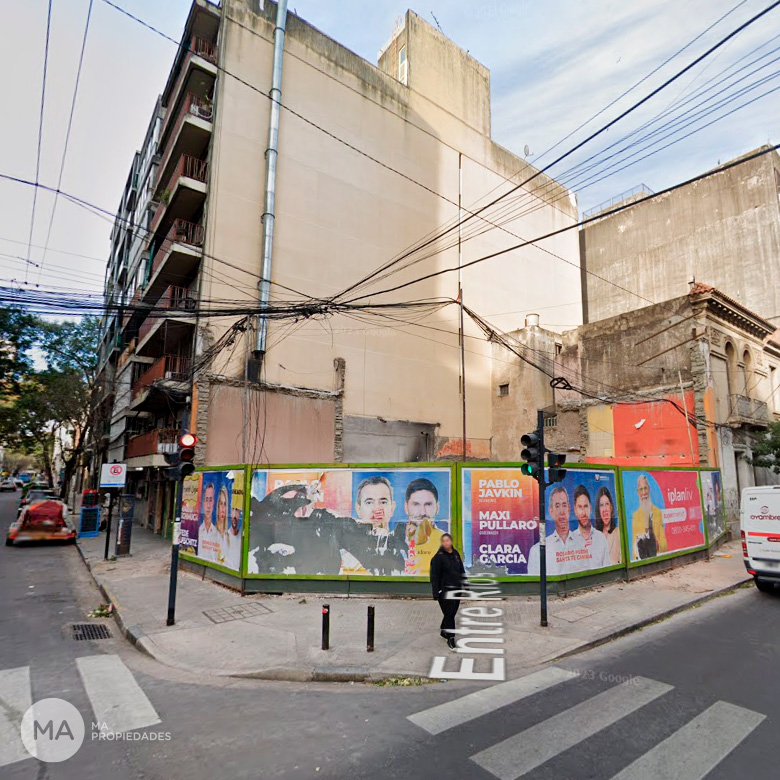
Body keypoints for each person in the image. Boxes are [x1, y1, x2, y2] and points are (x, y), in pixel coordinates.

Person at [527, 485, 576, 575]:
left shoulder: (582, 543)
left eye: (564, 505)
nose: (562, 511)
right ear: (551, 511)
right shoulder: (536, 551)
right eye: (557, 506)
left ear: (569, 509)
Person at [403, 478, 445, 576]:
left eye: (428, 504)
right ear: (406, 507)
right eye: (416, 504)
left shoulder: (445, 540)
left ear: (437, 508)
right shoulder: (391, 540)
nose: (422, 512)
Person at [430, 533, 464, 650]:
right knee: (449, 614)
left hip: (457, 589)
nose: (446, 543)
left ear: (451, 542)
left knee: (452, 613)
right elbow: (434, 576)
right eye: (443, 541)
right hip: (444, 591)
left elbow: (461, 569)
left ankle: (444, 630)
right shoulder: (438, 557)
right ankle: (451, 637)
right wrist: (436, 592)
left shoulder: (455, 554)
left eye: (448, 540)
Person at [568, 485, 611, 572]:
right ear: (575, 510)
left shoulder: (601, 538)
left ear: (590, 508)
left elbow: (607, 570)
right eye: (580, 507)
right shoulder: (570, 541)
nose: (583, 512)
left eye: (586, 506)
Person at [632, 474, 667, 559]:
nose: (643, 492)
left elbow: (664, 544)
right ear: (638, 492)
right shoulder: (635, 516)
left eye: (645, 488)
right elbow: (634, 548)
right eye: (641, 489)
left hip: (657, 556)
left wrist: (657, 544)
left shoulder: (657, 512)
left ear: (649, 489)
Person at [595, 486, 621, 565]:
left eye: (607, 504)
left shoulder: (618, 533)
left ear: (611, 507)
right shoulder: (594, 536)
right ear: (598, 510)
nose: (605, 509)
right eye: (601, 505)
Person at [198, 481, 220, 563]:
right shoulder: (198, 532)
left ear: (214, 503)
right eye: (206, 500)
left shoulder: (218, 533)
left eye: (210, 500)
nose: (208, 505)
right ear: (203, 502)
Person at [224, 506, 242, 572]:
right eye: (232, 509)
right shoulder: (224, 536)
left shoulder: (243, 536)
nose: (234, 515)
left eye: (237, 510)